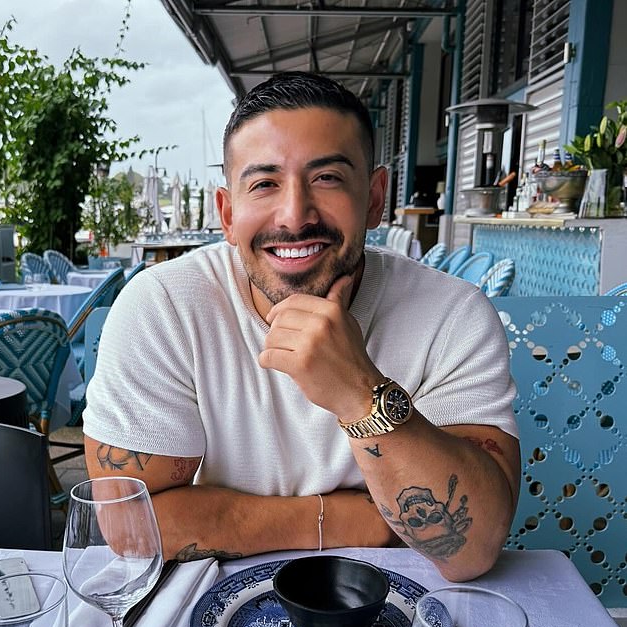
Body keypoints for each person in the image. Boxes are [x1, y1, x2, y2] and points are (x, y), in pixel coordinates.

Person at [84, 71, 520, 582]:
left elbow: (471, 550)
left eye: (327, 178)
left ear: (375, 198)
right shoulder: (163, 307)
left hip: (404, 607)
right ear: (227, 213)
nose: (294, 216)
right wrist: (355, 520)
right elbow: (130, 523)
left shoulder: (454, 315)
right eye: (264, 184)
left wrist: (360, 393)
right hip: (208, 607)